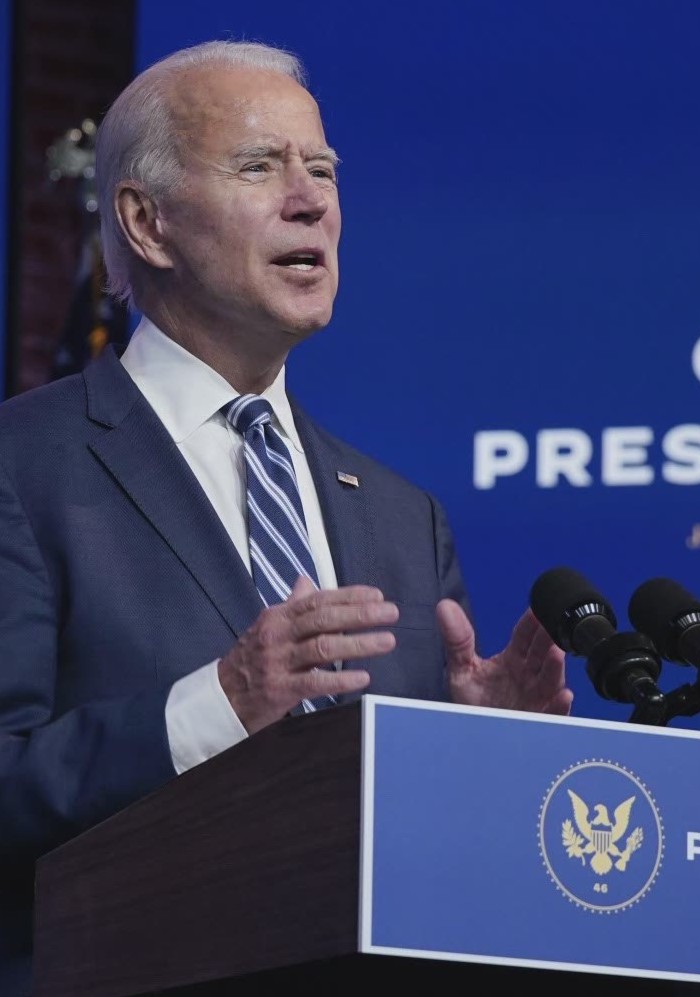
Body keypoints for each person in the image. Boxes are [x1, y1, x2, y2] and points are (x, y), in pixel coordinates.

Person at [0, 40, 571, 988]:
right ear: (146, 223)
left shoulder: (401, 516)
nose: (310, 200)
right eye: (260, 167)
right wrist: (217, 702)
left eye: (324, 170)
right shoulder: (24, 465)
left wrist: (481, 759)